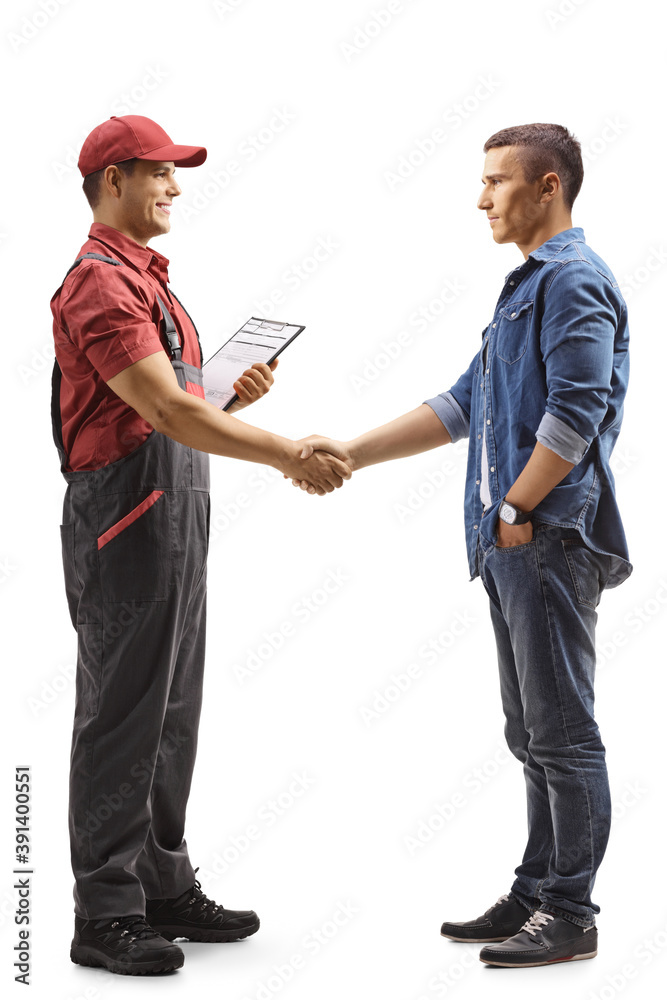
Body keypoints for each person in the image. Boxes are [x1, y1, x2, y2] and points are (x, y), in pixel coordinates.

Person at [290, 123, 631, 969]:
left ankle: (568, 911)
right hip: (512, 542)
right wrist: (349, 452)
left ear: (547, 186)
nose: (481, 199)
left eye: (495, 182)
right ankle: (535, 887)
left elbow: (576, 412)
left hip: (545, 535)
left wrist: (516, 505)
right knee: (530, 731)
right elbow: (459, 405)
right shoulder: (523, 291)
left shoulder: (571, 281)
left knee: (563, 734)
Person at [51, 114, 351, 977]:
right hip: (126, 519)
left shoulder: (154, 285)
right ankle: (104, 912)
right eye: (159, 173)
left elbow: (184, 400)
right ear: (113, 181)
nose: (175, 186)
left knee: (172, 711)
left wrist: (232, 398)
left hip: (175, 511)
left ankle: (160, 885)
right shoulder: (99, 285)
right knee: (122, 713)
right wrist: (289, 451)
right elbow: (170, 413)